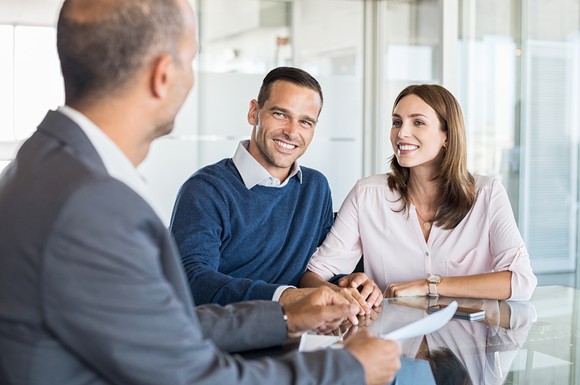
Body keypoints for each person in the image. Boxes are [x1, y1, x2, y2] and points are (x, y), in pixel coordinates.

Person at [0, 1, 403, 384]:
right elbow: (189, 374)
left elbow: (156, 327)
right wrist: (348, 369)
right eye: (190, 61)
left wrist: (284, 318)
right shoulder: (93, 203)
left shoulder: (47, 167)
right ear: (163, 74)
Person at [170, 66, 381, 313]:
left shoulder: (315, 188)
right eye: (281, 114)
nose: (292, 132)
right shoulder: (205, 190)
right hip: (226, 339)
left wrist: (347, 284)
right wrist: (285, 296)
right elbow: (192, 281)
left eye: (305, 121)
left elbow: (315, 270)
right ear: (253, 112)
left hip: (299, 335)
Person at [301, 84, 537, 301]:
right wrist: (345, 297)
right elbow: (312, 277)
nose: (401, 133)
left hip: (465, 343)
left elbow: (521, 282)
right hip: (391, 342)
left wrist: (430, 285)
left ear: (447, 136)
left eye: (418, 122)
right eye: (396, 122)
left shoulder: (487, 194)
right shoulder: (367, 195)